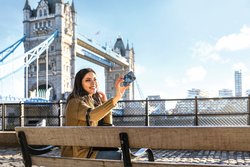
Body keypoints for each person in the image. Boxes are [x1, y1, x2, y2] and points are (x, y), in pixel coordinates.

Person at [61, 68, 130, 158]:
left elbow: (106, 126)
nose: (93, 83)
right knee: (124, 158)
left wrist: (105, 103)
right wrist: (116, 97)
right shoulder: (75, 102)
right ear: (80, 83)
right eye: (88, 80)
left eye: (95, 79)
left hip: (91, 150)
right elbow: (92, 116)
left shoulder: (91, 102)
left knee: (126, 156)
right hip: (79, 155)